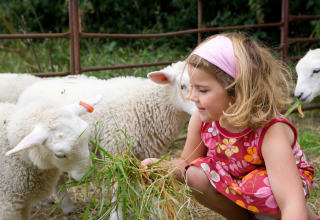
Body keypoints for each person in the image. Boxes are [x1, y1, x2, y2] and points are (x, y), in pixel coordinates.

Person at [141, 33, 318, 220]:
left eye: (202, 89)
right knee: (193, 173)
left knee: (258, 186)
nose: (192, 97)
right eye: (192, 87)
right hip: (237, 179)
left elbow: (291, 202)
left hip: (280, 186)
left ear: (237, 89)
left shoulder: (269, 130)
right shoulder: (202, 119)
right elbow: (185, 162)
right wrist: (160, 168)